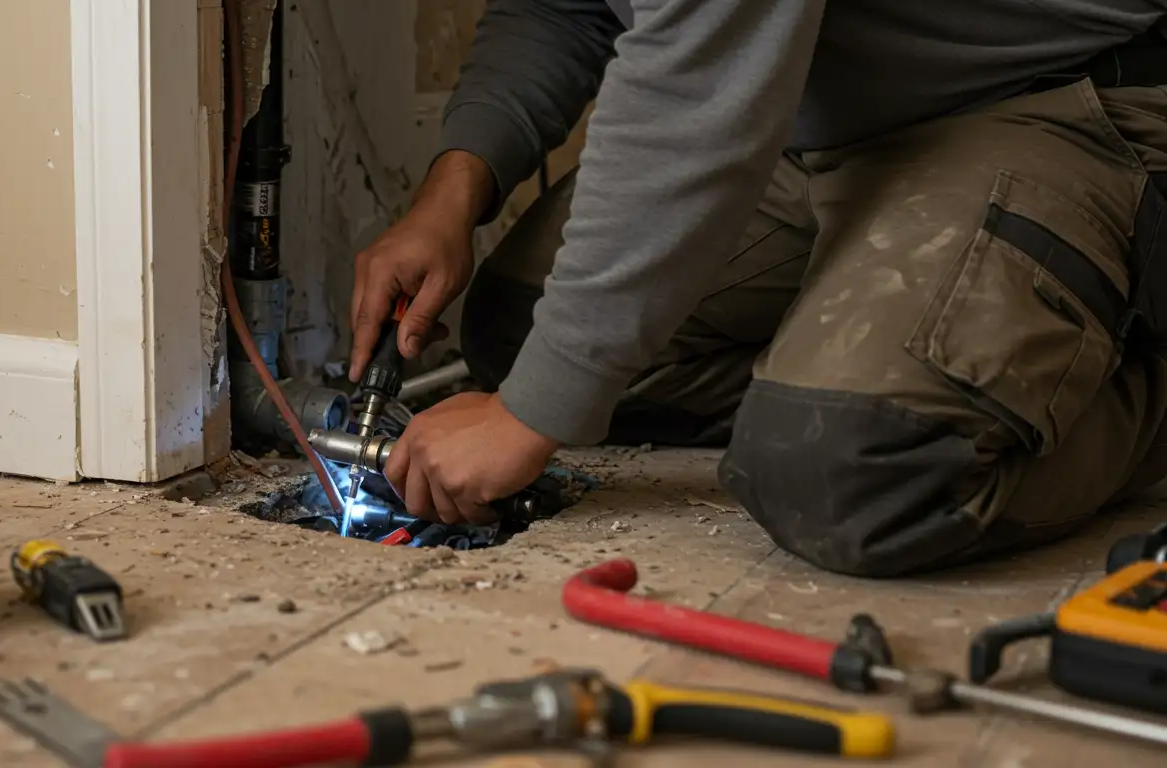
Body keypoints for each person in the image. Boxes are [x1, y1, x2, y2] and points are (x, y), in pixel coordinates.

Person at [348, 0, 1167, 576]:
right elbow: (570, 6)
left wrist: (530, 416)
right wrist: (450, 197)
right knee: (525, 333)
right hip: (822, 123)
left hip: (1053, 101)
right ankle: (906, 372)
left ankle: (1094, 381)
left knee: (852, 474)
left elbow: (698, 82)